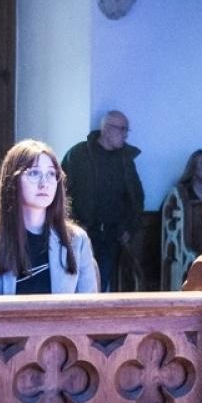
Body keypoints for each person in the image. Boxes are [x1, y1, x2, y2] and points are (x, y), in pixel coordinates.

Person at [0, 139, 97, 295]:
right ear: (12, 180)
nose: (44, 183)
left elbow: (87, 306)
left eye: (51, 174)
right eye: (34, 173)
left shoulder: (77, 240)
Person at [62, 111, 144, 292]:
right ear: (106, 129)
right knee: (73, 282)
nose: (126, 135)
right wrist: (73, 224)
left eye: (126, 130)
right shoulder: (78, 155)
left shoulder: (125, 160)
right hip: (81, 232)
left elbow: (136, 197)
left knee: (100, 284)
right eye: (122, 129)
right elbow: (62, 192)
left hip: (112, 235)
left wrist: (129, 228)